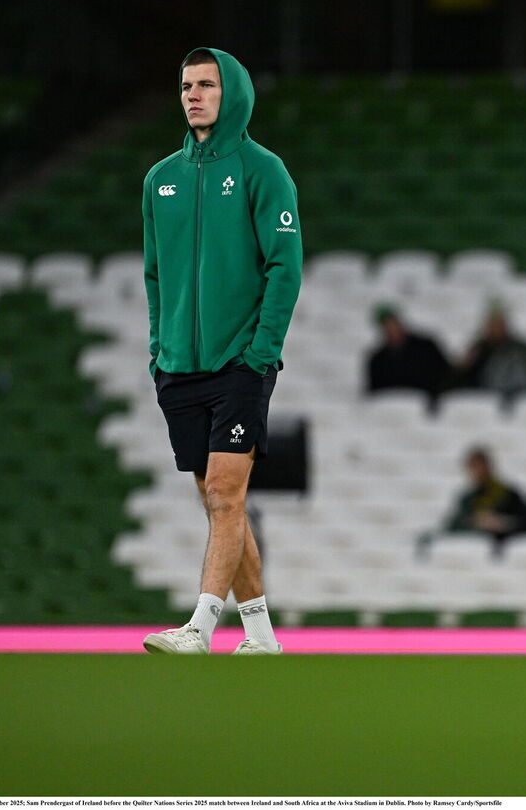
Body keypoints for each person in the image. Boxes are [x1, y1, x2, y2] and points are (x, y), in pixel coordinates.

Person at [141, 48, 302, 655]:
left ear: (231, 91)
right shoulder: (160, 179)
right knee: (217, 499)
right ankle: (259, 634)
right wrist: (160, 351)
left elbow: (285, 267)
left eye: (207, 84)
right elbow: (154, 275)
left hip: (241, 361)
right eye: (186, 85)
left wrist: (262, 352)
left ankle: (200, 628)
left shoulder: (265, 171)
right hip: (179, 367)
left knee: (226, 494)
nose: (194, 95)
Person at [455, 306, 526, 402]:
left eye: (499, 324)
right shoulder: (478, 348)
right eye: (493, 325)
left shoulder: (520, 348)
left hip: (522, 396)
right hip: (486, 399)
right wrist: (465, 368)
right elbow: (464, 381)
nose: (496, 329)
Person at [366, 305, 452, 402]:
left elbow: (445, 375)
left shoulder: (426, 346)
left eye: (393, 323)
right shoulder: (377, 359)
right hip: (396, 407)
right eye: (386, 325)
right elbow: (374, 392)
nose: (391, 328)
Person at [445, 447, 526, 544]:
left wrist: (502, 523)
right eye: (473, 467)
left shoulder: (509, 495)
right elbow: (453, 525)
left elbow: (525, 521)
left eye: (480, 467)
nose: (477, 472)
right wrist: (474, 521)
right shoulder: (468, 499)